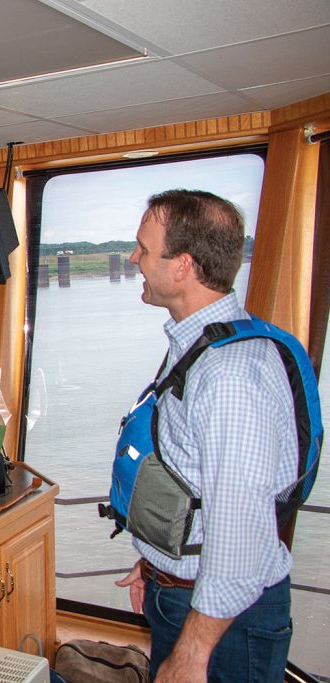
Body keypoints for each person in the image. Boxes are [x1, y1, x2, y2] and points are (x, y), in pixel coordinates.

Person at [114, 189, 298, 683]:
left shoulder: (229, 375)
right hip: (185, 594)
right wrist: (156, 562)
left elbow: (240, 535)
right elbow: (188, 474)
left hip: (221, 623)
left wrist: (193, 653)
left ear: (183, 267)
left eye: (144, 249)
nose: (134, 259)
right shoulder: (201, 345)